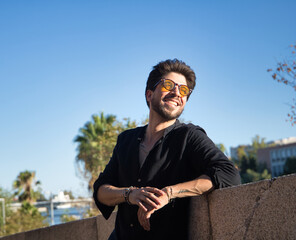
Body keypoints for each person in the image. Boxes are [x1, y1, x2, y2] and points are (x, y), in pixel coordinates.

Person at [93, 59, 241, 240]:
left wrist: (168, 193)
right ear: (149, 95)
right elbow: (101, 190)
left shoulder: (189, 136)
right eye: (169, 85)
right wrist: (131, 194)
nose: (177, 93)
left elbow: (227, 173)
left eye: (184, 90)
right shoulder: (126, 140)